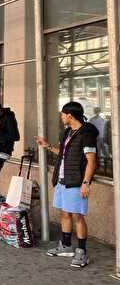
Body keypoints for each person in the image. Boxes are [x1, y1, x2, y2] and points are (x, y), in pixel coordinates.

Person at [35, 102, 98, 268]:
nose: (61, 117)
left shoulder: (87, 133)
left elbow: (91, 161)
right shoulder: (68, 132)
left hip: (76, 181)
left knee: (77, 216)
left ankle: (82, 252)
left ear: (70, 115)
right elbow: (63, 153)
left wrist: (86, 183)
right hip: (63, 180)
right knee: (64, 214)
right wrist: (47, 146)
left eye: (63, 115)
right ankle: (66, 246)